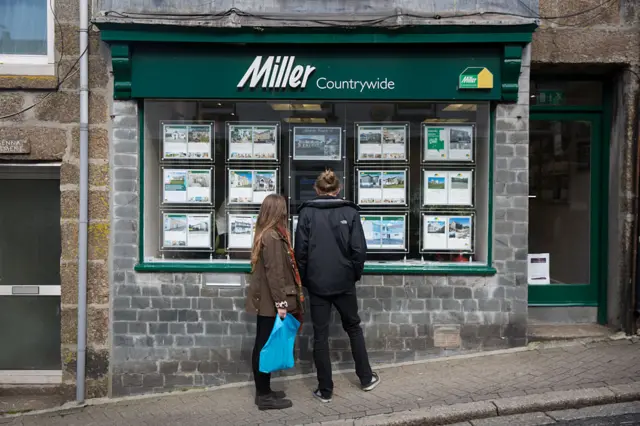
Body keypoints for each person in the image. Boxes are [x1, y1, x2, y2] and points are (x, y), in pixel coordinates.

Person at [294, 169, 380, 403]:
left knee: (320, 335)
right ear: (338, 189)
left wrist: (303, 280)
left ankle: (325, 390)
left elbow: (299, 252)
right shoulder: (350, 211)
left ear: (316, 189)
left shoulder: (307, 213)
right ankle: (365, 378)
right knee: (353, 327)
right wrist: (353, 274)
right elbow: (359, 249)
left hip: (317, 283)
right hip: (344, 281)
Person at [246, 194, 304, 410]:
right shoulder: (271, 237)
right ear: (278, 212)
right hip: (271, 303)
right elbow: (275, 274)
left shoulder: (269, 234)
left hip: (270, 301)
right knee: (264, 346)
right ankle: (263, 396)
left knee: (264, 344)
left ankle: (266, 390)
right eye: (284, 209)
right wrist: (282, 304)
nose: (286, 213)